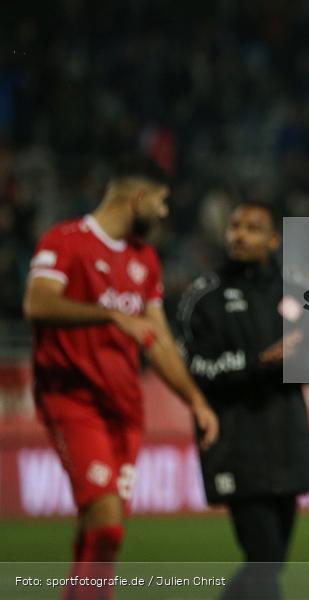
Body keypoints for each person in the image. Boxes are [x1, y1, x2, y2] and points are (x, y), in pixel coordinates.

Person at [22, 156, 219, 600]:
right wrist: (110, 314)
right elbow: (37, 304)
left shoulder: (144, 258)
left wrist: (197, 401)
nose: (166, 213)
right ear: (138, 198)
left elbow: (160, 340)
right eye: (162, 202)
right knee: (107, 525)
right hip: (73, 400)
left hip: (125, 409)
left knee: (100, 534)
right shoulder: (65, 241)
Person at [175, 201, 309, 600]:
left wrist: (296, 361)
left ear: (273, 239)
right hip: (236, 441)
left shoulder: (299, 291)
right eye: (234, 226)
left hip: (288, 439)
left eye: (251, 228)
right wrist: (260, 362)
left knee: (269, 561)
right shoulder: (205, 296)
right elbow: (196, 368)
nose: (238, 234)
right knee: (264, 558)